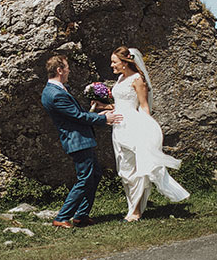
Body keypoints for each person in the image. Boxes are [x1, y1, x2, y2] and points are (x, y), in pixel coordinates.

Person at [94, 46, 190, 222]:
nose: (111, 65)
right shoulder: (121, 78)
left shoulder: (138, 79)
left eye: (114, 62)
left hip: (134, 126)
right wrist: (104, 108)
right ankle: (133, 207)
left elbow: (144, 105)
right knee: (124, 169)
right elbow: (121, 104)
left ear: (124, 62)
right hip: (118, 127)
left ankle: (136, 211)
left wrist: (147, 128)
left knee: (138, 168)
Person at [41, 55, 123, 229]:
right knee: (85, 178)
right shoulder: (55, 94)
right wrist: (104, 119)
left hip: (81, 138)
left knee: (94, 175)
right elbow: (77, 116)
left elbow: (74, 115)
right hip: (77, 140)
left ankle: (81, 216)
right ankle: (63, 216)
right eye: (67, 67)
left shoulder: (57, 89)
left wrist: (96, 113)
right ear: (59, 70)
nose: (69, 70)